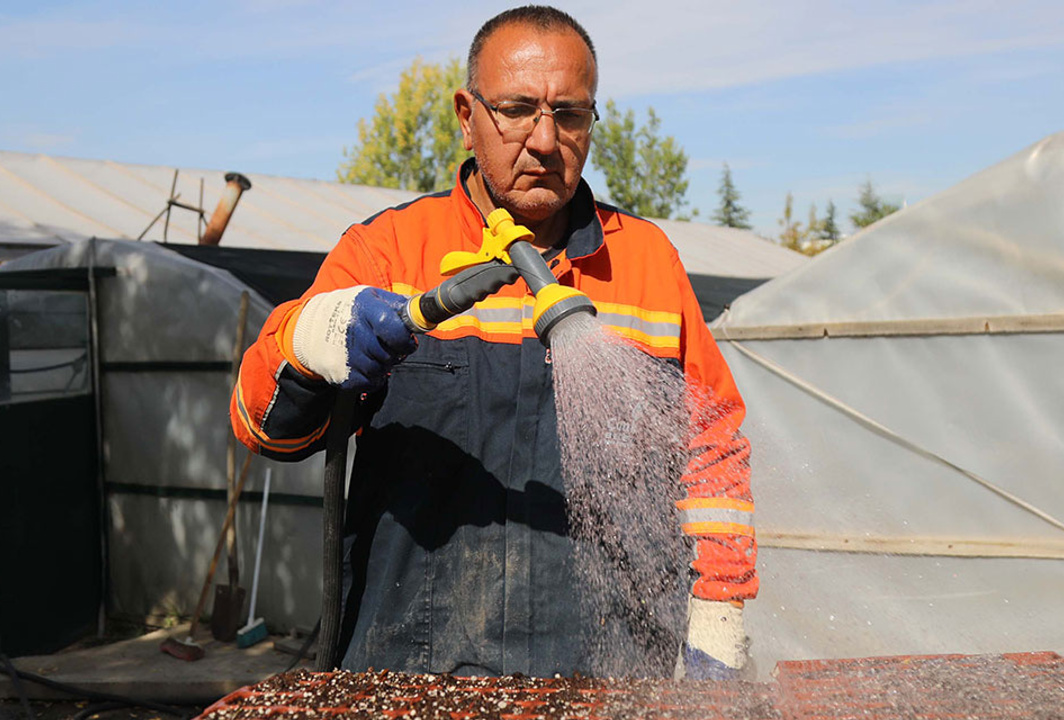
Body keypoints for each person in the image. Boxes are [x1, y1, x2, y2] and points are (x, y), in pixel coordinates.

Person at [230, 5, 756, 679]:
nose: (544, 140)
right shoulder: (389, 250)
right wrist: (309, 339)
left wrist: (720, 609)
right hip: (414, 672)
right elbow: (264, 432)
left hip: (611, 674)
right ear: (466, 114)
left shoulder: (647, 261)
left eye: (570, 114)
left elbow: (713, 449)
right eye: (516, 109)